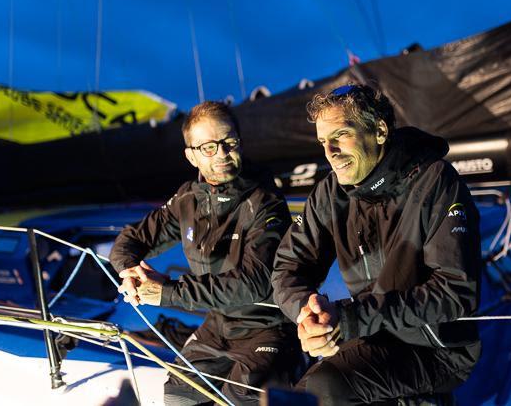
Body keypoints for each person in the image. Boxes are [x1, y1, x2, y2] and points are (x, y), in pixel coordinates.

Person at [272, 84, 482, 405]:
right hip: (370, 335)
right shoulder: (330, 194)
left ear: (380, 131)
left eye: (341, 135)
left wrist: (352, 318)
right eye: (323, 142)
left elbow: (456, 292)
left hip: (436, 349)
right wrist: (308, 313)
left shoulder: (435, 181)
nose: (330, 152)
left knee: (323, 388)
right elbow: (288, 267)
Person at [110, 101, 301, 405]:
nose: (222, 154)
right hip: (217, 326)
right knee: (177, 396)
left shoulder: (266, 202)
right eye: (209, 148)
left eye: (230, 142)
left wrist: (168, 292)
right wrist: (129, 270)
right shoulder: (188, 199)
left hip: (268, 328)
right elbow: (130, 239)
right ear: (191, 156)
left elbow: (254, 282)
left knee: (241, 399)